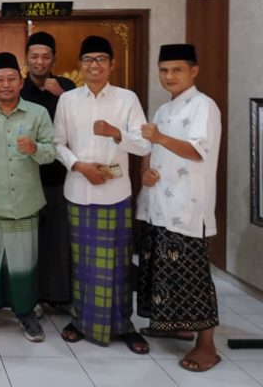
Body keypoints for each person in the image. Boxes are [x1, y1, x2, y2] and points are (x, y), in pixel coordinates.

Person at [54, 35, 151, 353]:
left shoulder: (127, 99)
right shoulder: (68, 100)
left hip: (115, 193)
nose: (94, 65)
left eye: (100, 59)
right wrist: (79, 166)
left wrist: (116, 133)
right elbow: (57, 143)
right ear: (80, 65)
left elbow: (144, 145)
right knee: (82, 263)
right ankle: (81, 321)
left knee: (119, 263)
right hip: (79, 190)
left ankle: (123, 325)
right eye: (88, 60)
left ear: (112, 64)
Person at [136, 44, 222, 372]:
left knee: (192, 276)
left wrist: (160, 138)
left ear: (193, 71)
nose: (169, 76)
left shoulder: (204, 106)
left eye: (177, 70)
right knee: (163, 269)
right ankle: (176, 325)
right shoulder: (163, 110)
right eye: (164, 70)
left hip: (188, 206)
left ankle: (207, 344)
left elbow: (199, 150)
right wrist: (146, 171)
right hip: (159, 203)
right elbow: (152, 150)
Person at [0, 52, 55, 342]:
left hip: (25, 201)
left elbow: (52, 152)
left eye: (11, 79)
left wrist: (35, 149)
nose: (5, 84)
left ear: (20, 82)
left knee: (23, 261)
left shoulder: (37, 114)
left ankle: (25, 311)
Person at [19, 32, 77, 310]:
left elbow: (80, 124)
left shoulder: (67, 88)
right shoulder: (19, 89)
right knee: (30, 241)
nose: (40, 62)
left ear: (54, 58)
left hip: (60, 176)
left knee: (58, 240)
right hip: (27, 176)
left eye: (45, 56)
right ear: (27, 59)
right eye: (34, 56)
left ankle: (60, 296)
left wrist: (62, 96)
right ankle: (34, 296)